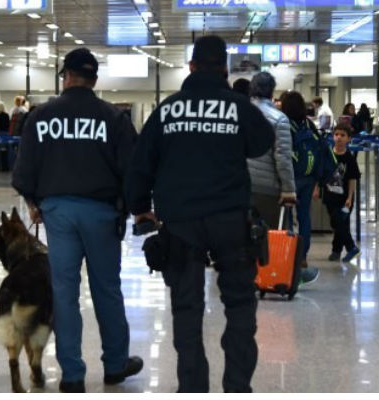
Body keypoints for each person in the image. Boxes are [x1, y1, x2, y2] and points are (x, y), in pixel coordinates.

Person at [126, 35, 275, 393]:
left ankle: (192, 388)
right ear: (225, 68)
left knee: (187, 309)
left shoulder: (168, 110)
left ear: (191, 67)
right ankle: (237, 386)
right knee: (239, 304)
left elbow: (140, 165)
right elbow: (262, 143)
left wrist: (141, 209)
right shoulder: (237, 107)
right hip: (230, 220)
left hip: (180, 222)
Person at [12, 47, 142, 393]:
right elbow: (131, 170)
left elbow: (24, 170)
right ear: (94, 80)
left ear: (65, 76)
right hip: (101, 211)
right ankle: (115, 365)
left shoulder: (41, 116)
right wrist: (129, 207)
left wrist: (32, 202)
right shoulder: (113, 117)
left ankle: (72, 375)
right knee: (107, 289)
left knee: (64, 293)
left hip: (58, 212)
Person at [281, 91, 323, 281]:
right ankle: (303, 256)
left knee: (288, 217)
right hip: (308, 177)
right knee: (304, 217)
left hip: (291, 177)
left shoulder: (284, 124)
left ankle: (290, 255)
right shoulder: (309, 124)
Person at [247, 72, 296, 223]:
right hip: (268, 190)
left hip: (240, 187)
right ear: (272, 91)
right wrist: (288, 189)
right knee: (270, 240)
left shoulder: (239, 113)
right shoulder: (279, 119)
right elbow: (282, 157)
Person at [313, 124, 361, 262]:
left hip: (345, 197)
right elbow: (320, 173)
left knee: (339, 222)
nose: (339, 138)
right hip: (330, 196)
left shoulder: (349, 158)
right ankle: (337, 251)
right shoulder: (327, 154)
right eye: (336, 134)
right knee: (337, 224)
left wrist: (350, 197)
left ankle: (349, 248)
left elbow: (352, 179)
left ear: (348, 139)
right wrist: (316, 188)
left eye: (342, 135)